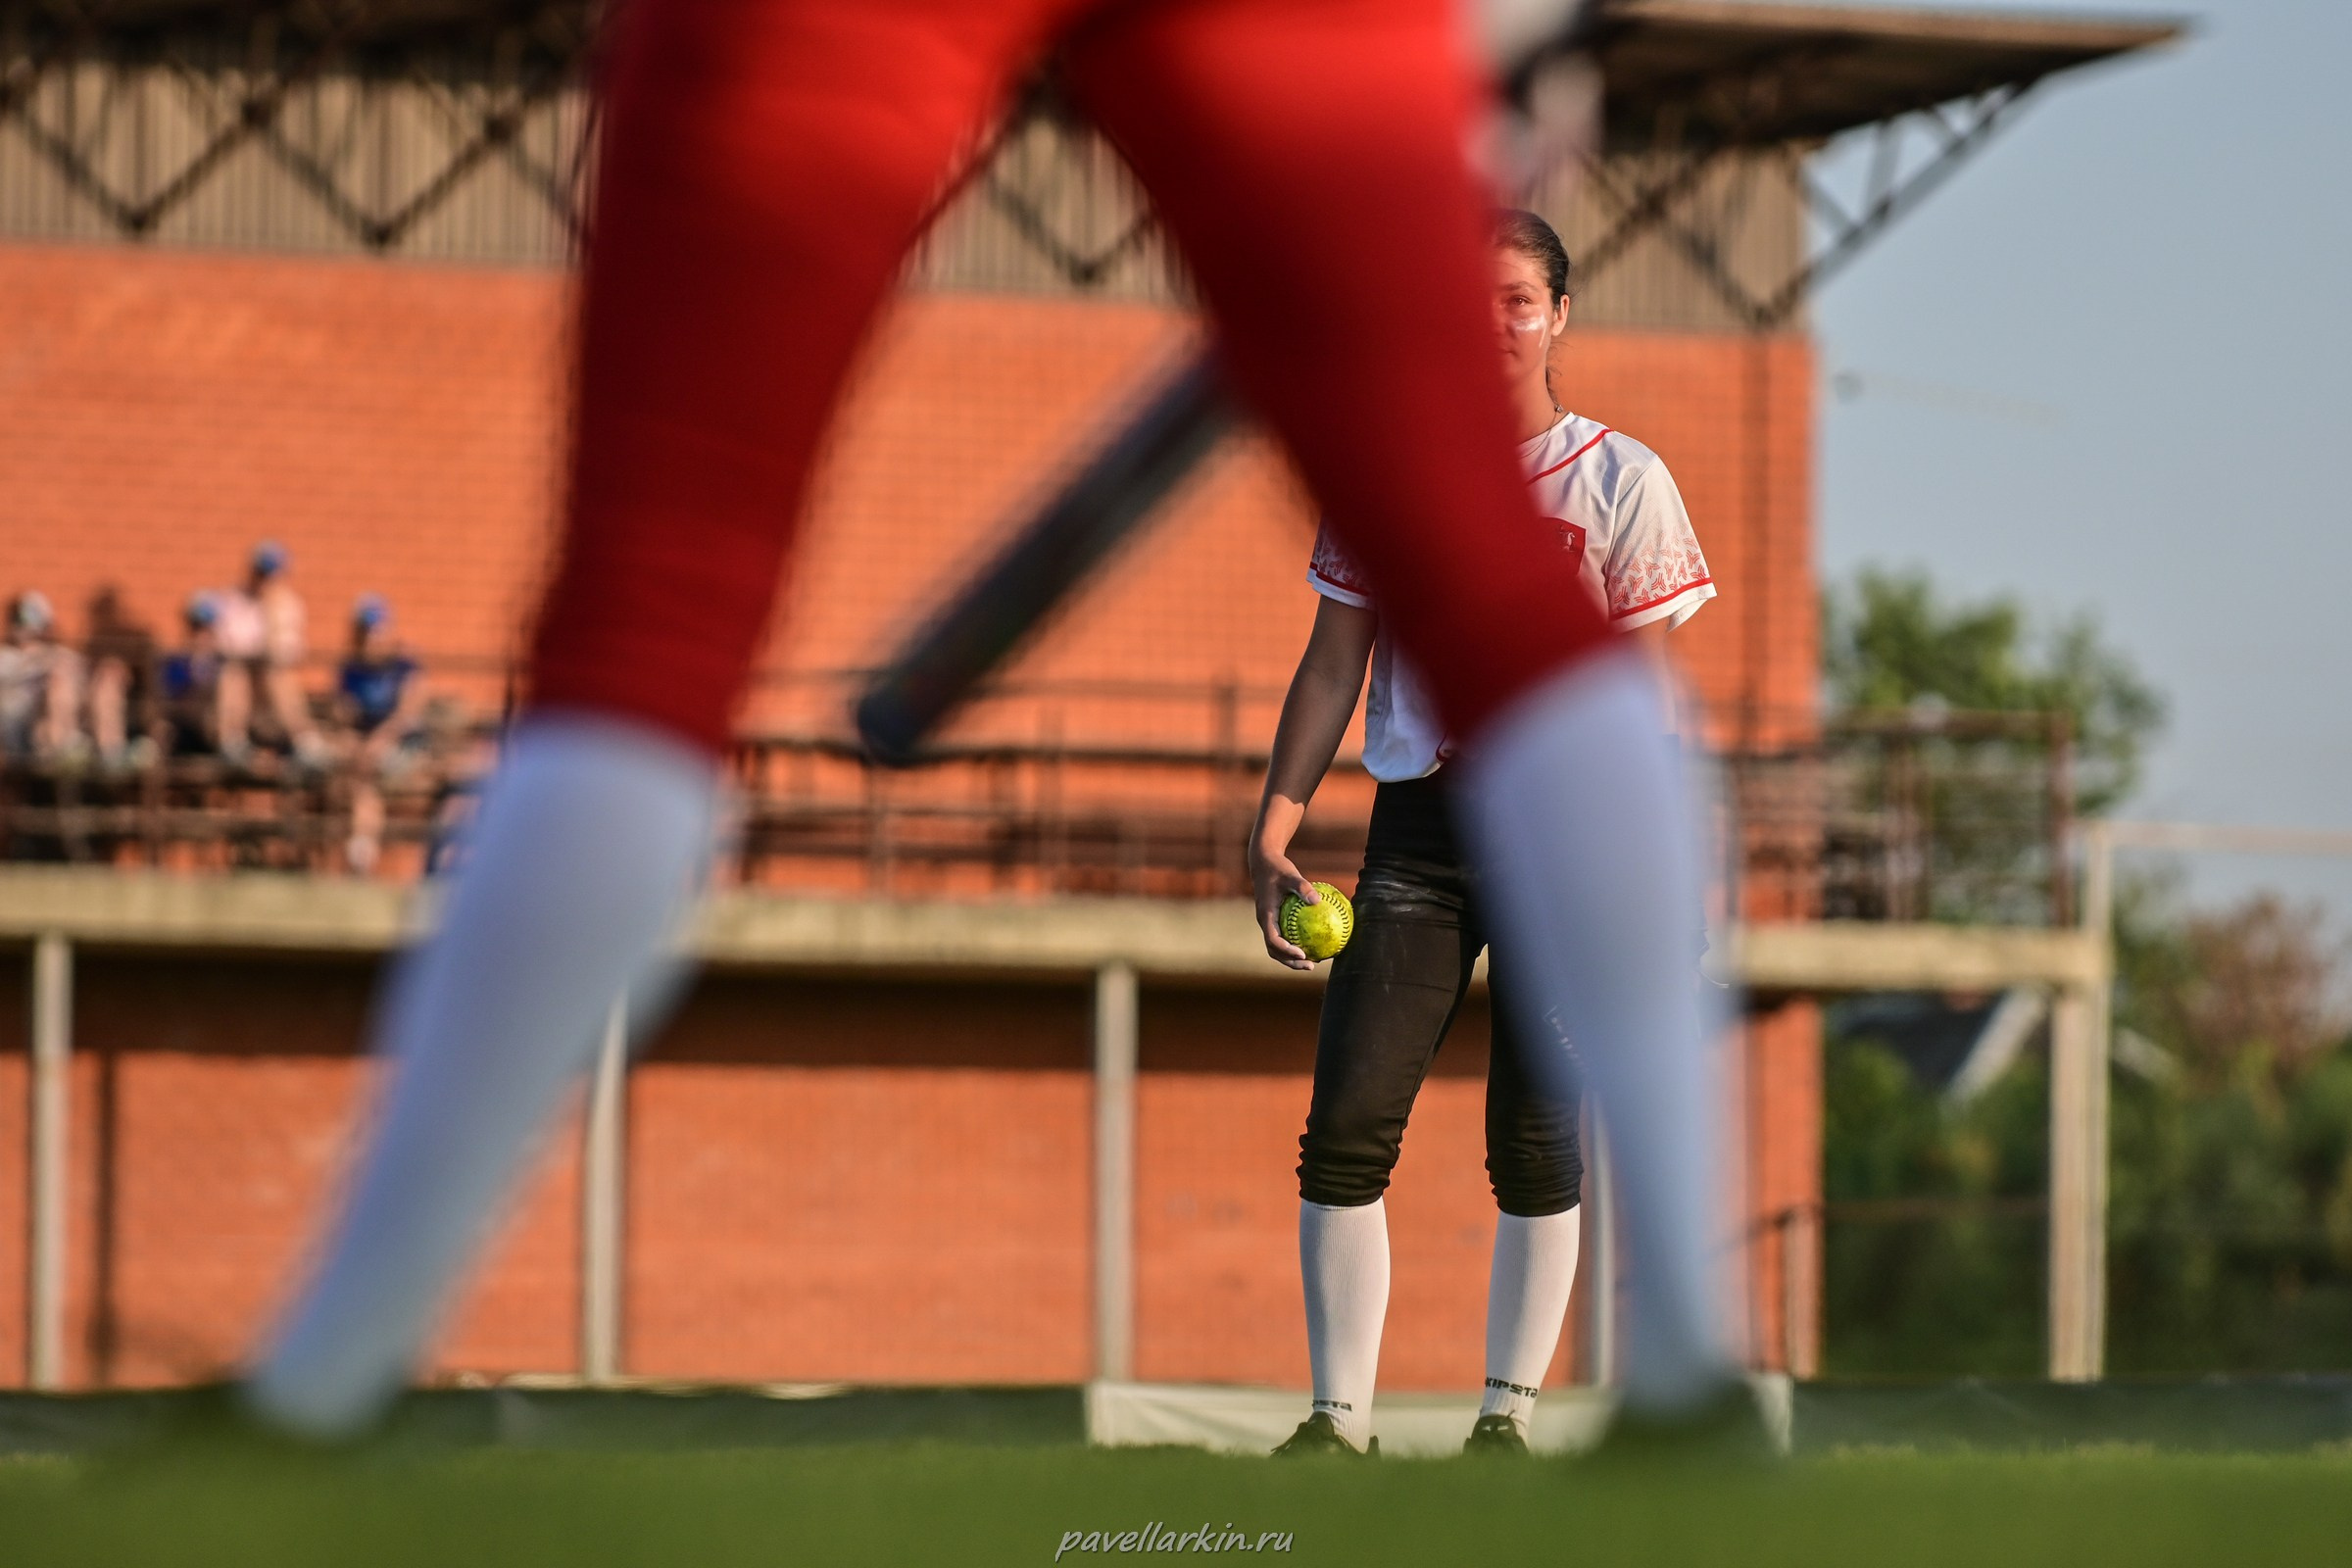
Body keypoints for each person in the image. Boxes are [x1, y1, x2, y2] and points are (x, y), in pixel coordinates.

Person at [246, 0, 1740, 1443]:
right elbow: (1344, 650)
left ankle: (324, 1381)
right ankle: (1683, 1375)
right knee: (1498, 617)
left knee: (652, 608)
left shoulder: (1620, 480)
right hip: (1412, 806)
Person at [1256, 210, 1714, 1457]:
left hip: (1567, 834)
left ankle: (1506, 1418)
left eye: (1520, 298)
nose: (1494, 322)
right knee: (1348, 1118)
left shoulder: (1627, 481)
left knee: (1535, 1134)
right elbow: (1327, 668)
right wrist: (1273, 826)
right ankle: (1334, 1421)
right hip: (1418, 835)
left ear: (1559, 313)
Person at [333, 596, 427, 875]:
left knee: (365, 776)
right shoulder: (350, 670)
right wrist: (351, 740)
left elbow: (407, 714)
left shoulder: (404, 667)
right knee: (359, 773)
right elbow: (344, 716)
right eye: (364, 629)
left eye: (375, 629)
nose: (370, 637)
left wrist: (378, 741)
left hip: (405, 746)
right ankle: (361, 850)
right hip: (365, 751)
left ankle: (361, 850)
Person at [215, 542, 326, 766]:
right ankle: (232, 741)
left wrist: (271, 613)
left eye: (271, 574)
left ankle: (304, 741)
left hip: (272, 687)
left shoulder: (289, 605)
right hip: (241, 682)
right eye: (261, 573)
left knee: (276, 673)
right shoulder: (232, 601)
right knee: (234, 672)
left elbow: (287, 653)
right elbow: (229, 647)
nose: (265, 581)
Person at [0, 591, 85, 764]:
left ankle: (63, 752)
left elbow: (80, 675)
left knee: (58, 686)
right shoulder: (5, 656)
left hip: (45, 728)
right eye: (20, 623)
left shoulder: (60, 656)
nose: (25, 632)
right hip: (12, 729)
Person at [82, 585, 159, 771]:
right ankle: (110, 752)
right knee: (107, 681)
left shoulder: (139, 638)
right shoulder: (93, 644)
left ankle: (115, 751)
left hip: (136, 715)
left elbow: (153, 686)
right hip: (96, 716)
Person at [158, 595, 231, 758]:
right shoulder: (177, 661)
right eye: (196, 628)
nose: (201, 634)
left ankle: (231, 746)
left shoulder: (224, 662)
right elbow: (169, 695)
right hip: (182, 724)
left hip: (213, 726)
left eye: (207, 628)